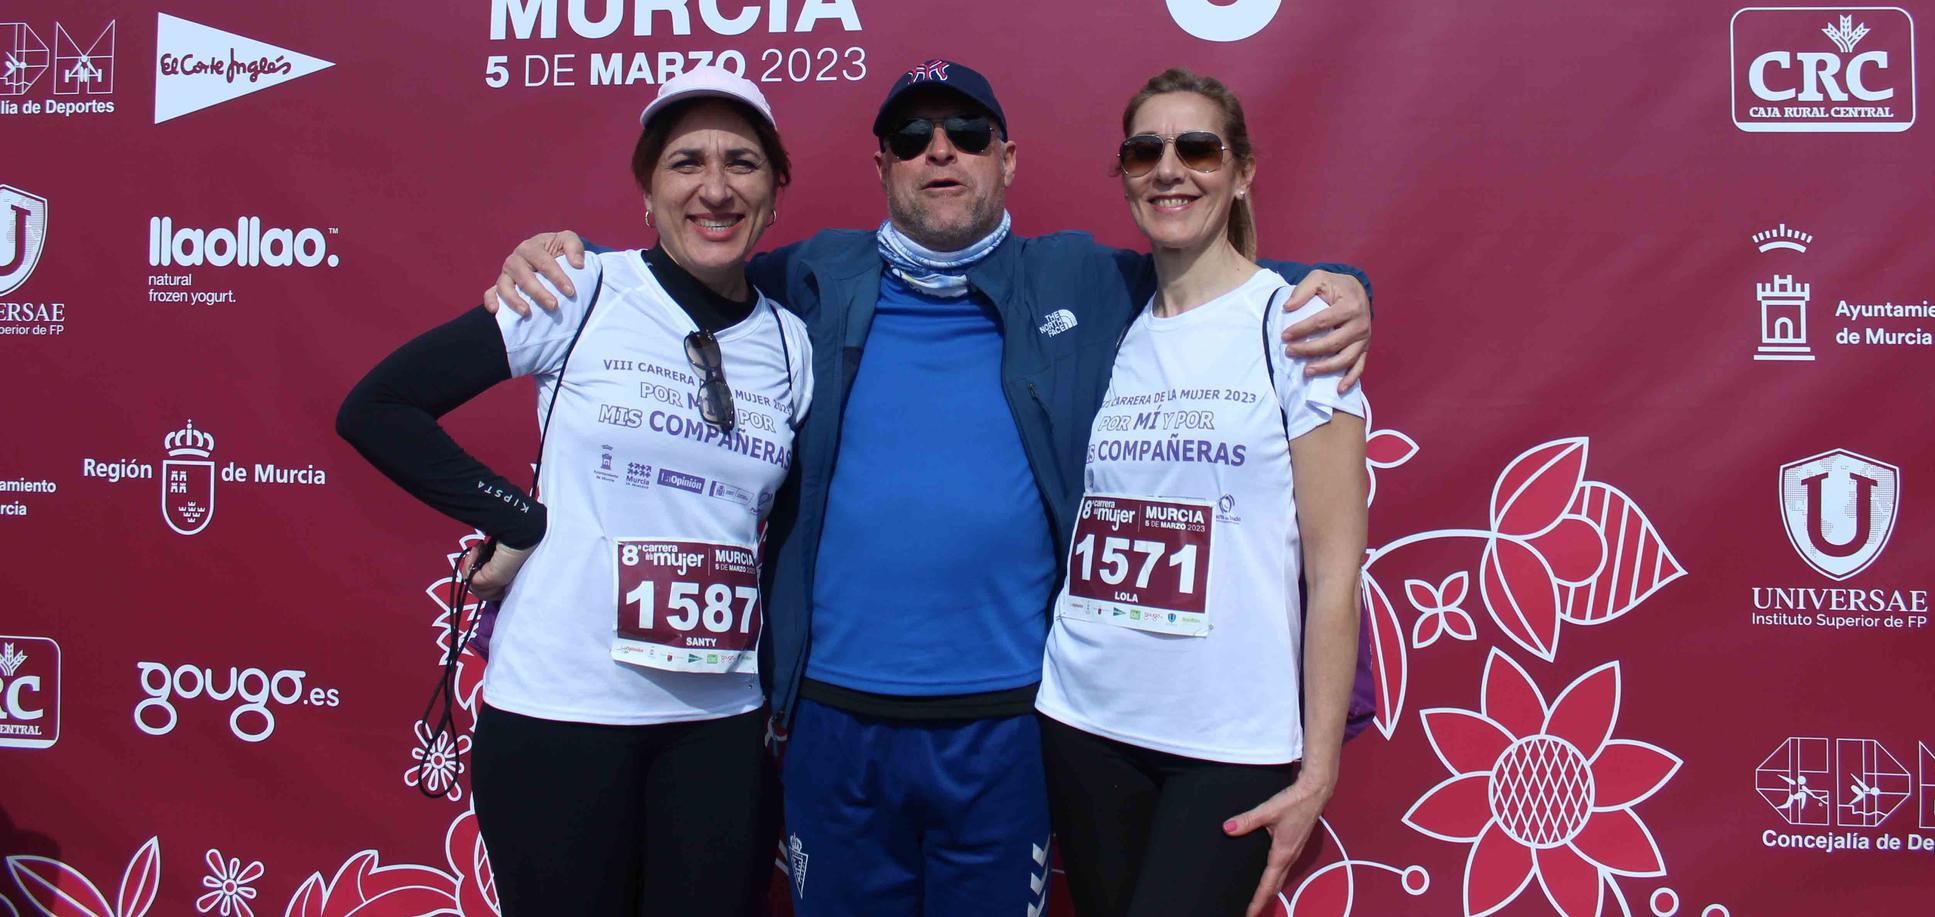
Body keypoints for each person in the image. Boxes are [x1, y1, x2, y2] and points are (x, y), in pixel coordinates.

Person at [489, 59, 1372, 917]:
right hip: (834, 719)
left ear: (1007, 158)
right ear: (882, 167)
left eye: (966, 132)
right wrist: (562, 255)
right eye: (911, 137)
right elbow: (680, 267)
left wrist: (1346, 292)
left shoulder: (1078, 277)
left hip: (1011, 724)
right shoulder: (806, 278)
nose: (939, 151)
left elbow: (1217, 281)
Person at [336, 66, 813, 917]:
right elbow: (380, 407)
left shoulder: (793, 344)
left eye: (742, 163)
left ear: (776, 191)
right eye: (685, 162)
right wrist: (514, 516)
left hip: (720, 724)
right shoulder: (577, 289)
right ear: (646, 190)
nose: (715, 187)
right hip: (562, 713)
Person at [1035, 68, 1368, 917]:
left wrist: (1318, 767)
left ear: (1242, 170)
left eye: (1197, 148)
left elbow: (1337, 569)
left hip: (1227, 742)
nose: (1169, 169)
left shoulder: (1299, 327)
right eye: (1145, 150)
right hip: (1085, 720)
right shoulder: (1112, 327)